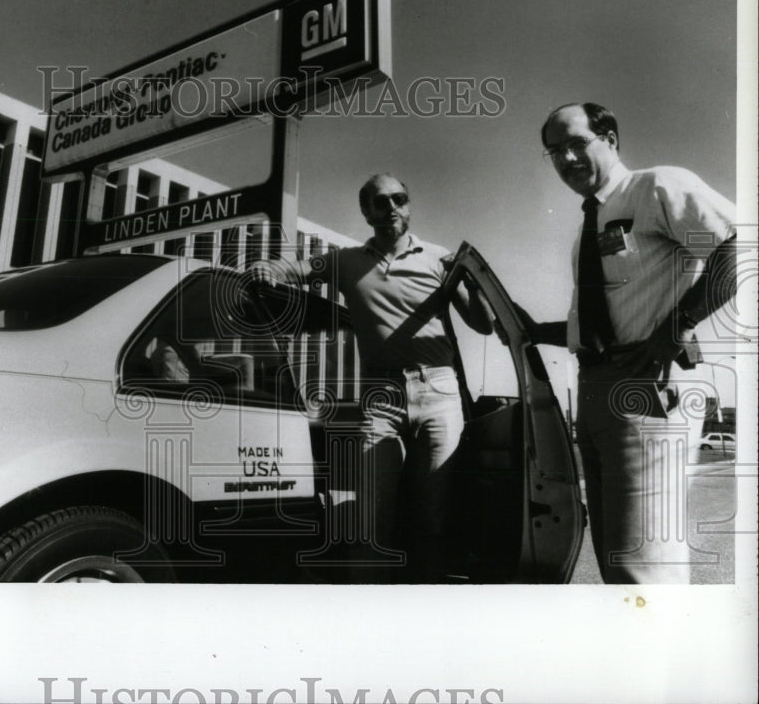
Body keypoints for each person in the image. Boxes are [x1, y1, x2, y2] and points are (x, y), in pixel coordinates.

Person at [521, 102, 737, 584]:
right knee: (617, 560)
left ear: (611, 140)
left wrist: (677, 326)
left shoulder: (655, 185)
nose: (566, 159)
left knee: (645, 565)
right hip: (594, 388)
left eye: (577, 144)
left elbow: (739, 247)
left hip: (646, 386)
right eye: (555, 151)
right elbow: (605, 321)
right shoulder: (589, 224)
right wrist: (536, 332)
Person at [250, 173, 493, 582]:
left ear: (409, 205)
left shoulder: (439, 258)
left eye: (400, 198)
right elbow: (295, 268)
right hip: (379, 395)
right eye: (381, 202)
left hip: (439, 392)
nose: (392, 207)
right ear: (367, 212)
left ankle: (425, 615)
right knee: (369, 519)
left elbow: (484, 324)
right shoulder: (347, 261)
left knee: (431, 517)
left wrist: (471, 280)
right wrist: (264, 266)